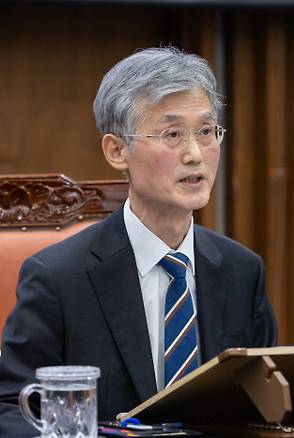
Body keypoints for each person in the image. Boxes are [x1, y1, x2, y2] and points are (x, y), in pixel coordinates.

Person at [0, 47, 277, 433]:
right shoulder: (58, 278)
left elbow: (266, 403)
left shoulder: (241, 270)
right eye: (172, 134)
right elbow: (11, 409)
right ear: (117, 150)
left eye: (206, 131)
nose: (195, 154)